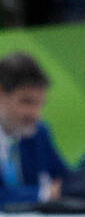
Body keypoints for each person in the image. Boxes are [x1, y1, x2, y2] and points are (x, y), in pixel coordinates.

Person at [0, 51, 68, 208]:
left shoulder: (38, 132)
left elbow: (64, 179)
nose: (35, 114)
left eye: (39, 104)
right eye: (26, 102)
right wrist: (43, 193)